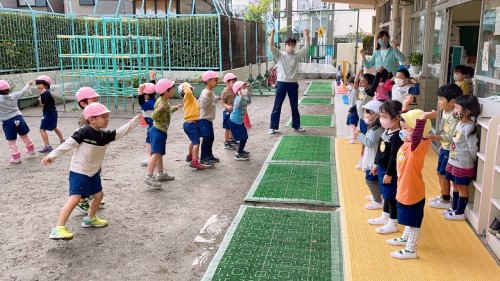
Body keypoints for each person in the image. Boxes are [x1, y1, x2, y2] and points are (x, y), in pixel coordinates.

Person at [42, 103, 141, 240]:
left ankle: (90, 219)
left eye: (107, 116)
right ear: (91, 119)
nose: (107, 119)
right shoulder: (84, 131)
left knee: (99, 195)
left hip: (93, 172)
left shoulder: (105, 135)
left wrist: (136, 120)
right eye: (103, 116)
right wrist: (52, 156)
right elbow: (68, 144)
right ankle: (58, 228)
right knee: (75, 199)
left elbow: (121, 131)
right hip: (79, 171)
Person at [386, 96, 432, 259]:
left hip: (412, 190)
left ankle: (411, 250)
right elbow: (408, 124)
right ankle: (405, 239)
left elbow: (418, 132)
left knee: (413, 223)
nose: (402, 131)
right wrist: (405, 106)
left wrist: (423, 118)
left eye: (406, 129)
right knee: (407, 218)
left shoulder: (417, 146)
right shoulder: (407, 142)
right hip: (405, 187)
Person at [425, 83, 463, 209]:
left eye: (441, 99)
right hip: (445, 147)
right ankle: (443, 195)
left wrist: (436, 138)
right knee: (439, 172)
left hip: (451, 150)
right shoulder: (446, 111)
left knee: (444, 174)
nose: (439, 102)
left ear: (452, 102)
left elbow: (454, 135)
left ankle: (446, 199)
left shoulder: (456, 115)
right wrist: (442, 143)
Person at [442, 95, 480, 220]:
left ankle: (460, 212)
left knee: (462, 187)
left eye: (457, 108)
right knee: (455, 185)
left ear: (467, 111)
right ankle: (454, 207)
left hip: (463, 163)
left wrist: (473, 160)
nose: (454, 111)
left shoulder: (469, 127)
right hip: (453, 160)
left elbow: (472, 148)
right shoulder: (460, 123)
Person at [368, 100, 404, 234]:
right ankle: (385, 215)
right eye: (381, 116)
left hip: (390, 172)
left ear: (395, 119)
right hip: (382, 168)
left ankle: (393, 222)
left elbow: (394, 157)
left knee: (391, 197)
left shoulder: (397, 136)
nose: (381, 120)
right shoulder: (387, 131)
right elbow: (380, 149)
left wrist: (389, 173)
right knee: (386, 195)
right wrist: (376, 164)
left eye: (384, 117)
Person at [268, 28, 310, 134]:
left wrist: (306, 34)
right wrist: (272, 34)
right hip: (281, 83)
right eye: (288, 44)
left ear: (294, 46)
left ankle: (296, 125)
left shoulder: (297, 56)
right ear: (285, 45)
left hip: (293, 84)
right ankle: (273, 127)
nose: (290, 46)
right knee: (277, 105)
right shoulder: (280, 55)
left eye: (292, 45)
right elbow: (271, 47)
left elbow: (307, 47)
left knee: (294, 106)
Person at [143, 78, 182, 187]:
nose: (173, 90)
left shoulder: (165, 101)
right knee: (155, 154)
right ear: (166, 91)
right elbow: (153, 116)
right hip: (158, 131)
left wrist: (176, 108)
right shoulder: (160, 103)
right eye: (172, 88)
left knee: (159, 153)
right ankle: (148, 176)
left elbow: (168, 110)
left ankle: (160, 173)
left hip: (161, 131)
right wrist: (158, 109)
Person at [74, 86, 103, 213]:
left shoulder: (94, 114)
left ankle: (92, 195)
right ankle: (81, 201)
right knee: (85, 176)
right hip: (87, 153)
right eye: (94, 100)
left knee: (94, 174)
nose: (97, 102)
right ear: (83, 103)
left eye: (97, 99)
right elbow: (85, 135)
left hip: (94, 151)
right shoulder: (84, 118)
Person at [355, 100, 384, 210]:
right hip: (373, 154)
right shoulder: (374, 126)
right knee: (375, 178)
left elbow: (370, 143)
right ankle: (377, 196)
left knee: (370, 178)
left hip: (374, 156)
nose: (365, 114)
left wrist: (360, 135)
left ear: (376, 114)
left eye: (368, 112)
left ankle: (378, 200)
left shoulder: (376, 128)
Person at [0, 80, 36, 164]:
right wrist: (28, 84)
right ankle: (31, 150)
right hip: (19, 118)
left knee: (11, 140)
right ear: (8, 89)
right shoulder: (14, 95)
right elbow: (23, 91)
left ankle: (16, 157)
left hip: (8, 122)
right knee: (24, 135)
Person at [179, 82, 212, 170]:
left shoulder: (191, 99)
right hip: (191, 124)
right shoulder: (188, 96)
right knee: (196, 143)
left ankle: (190, 155)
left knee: (193, 141)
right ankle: (194, 161)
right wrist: (186, 85)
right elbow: (188, 92)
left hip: (190, 123)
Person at [36, 75, 64, 153]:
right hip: (51, 112)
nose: (38, 86)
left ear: (46, 84)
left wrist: (41, 95)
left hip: (49, 113)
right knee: (54, 127)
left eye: (40, 84)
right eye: (37, 84)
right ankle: (62, 140)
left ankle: (47, 146)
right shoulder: (47, 91)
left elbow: (44, 102)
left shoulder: (45, 93)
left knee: (42, 129)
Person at [199, 70, 221, 165]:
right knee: (207, 137)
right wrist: (208, 97)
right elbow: (203, 105)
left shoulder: (210, 92)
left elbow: (212, 101)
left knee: (211, 137)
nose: (217, 82)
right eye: (215, 80)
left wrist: (216, 98)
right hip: (204, 119)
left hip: (209, 119)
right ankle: (203, 157)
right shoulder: (206, 92)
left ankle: (209, 155)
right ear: (208, 81)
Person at [137, 73, 157, 166]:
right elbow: (152, 87)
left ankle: (151, 158)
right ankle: (152, 157)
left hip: (152, 126)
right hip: (154, 125)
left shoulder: (148, 104)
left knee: (150, 141)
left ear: (146, 95)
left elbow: (140, 101)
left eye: (143, 94)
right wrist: (152, 78)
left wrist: (141, 90)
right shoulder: (154, 99)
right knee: (151, 141)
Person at [229, 81, 252, 161]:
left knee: (244, 136)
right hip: (235, 121)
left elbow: (248, 102)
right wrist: (240, 96)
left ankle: (240, 150)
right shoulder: (237, 98)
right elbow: (237, 106)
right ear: (238, 90)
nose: (245, 89)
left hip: (239, 122)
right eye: (243, 88)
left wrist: (248, 94)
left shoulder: (243, 98)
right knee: (243, 137)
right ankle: (239, 154)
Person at [220, 73, 238, 150]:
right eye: (232, 82)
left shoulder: (235, 90)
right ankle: (226, 142)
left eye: (234, 82)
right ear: (227, 82)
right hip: (227, 112)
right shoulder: (225, 91)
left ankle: (231, 139)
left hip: (234, 112)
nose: (234, 84)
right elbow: (222, 102)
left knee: (232, 126)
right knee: (227, 128)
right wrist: (227, 106)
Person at [346, 77, 359, 144]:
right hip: (351, 109)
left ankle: (354, 138)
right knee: (350, 123)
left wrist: (359, 72)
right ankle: (353, 135)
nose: (349, 85)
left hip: (355, 109)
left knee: (352, 124)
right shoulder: (351, 90)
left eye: (350, 84)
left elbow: (356, 82)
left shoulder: (355, 89)